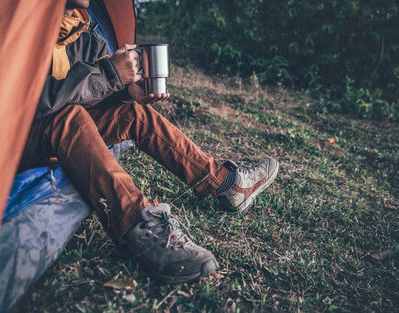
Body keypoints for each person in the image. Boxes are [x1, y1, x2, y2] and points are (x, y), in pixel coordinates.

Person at [19, 0, 279, 283]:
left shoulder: (83, 32)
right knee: (69, 117)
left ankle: (226, 184)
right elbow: (29, 102)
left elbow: (92, 99)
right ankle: (139, 226)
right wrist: (109, 74)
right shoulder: (20, 27)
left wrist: (126, 91)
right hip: (16, 140)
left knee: (133, 113)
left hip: (62, 132)